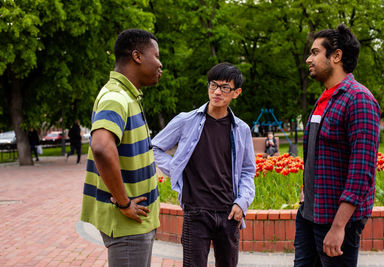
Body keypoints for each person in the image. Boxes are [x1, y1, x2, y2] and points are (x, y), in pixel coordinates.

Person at [152, 62, 256, 267]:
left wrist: (242, 202)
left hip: (229, 213)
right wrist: (176, 169)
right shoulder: (186, 121)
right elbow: (155, 147)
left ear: (236, 93)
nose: (217, 92)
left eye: (225, 87)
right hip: (196, 211)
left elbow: (247, 171)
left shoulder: (241, 129)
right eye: (213, 85)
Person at [294, 24, 380, 267]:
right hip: (309, 215)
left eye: (314, 52)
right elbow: (317, 155)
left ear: (336, 56)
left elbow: (361, 172)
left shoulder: (359, 99)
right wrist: (305, 191)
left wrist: (339, 226)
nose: (308, 59)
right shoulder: (324, 99)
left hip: (335, 222)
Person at [80, 29, 162, 267]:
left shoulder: (128, 95)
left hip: (136, 224)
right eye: (156, 56)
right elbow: (102, 148)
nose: (160, 64)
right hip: (128, 226)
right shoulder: (116, 97)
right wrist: (124, 203)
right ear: (137, 56)